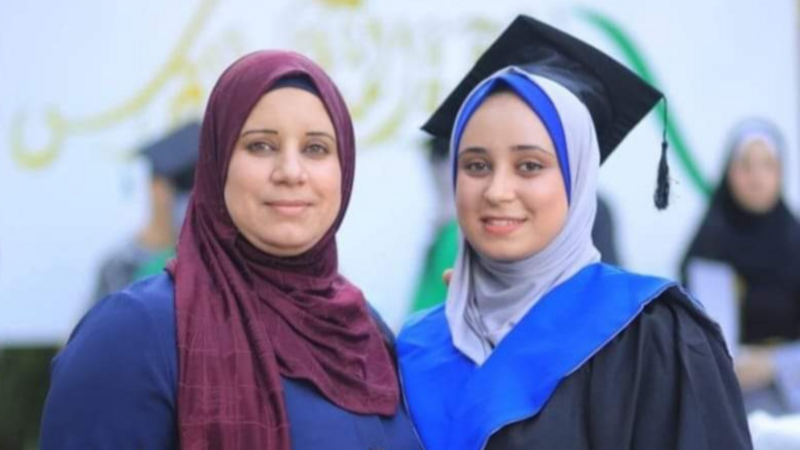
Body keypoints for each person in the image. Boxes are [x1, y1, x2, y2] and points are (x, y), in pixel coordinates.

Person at [397, 15, 753, 450]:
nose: (497, 190)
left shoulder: (652, 336)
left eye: (530, 165)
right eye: (475, 165)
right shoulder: (416, 346)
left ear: (577, 178)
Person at [40, 51, 422, 450]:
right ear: (218, 162)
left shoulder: (363, 329)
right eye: (260, 146)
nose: (291, 171)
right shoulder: (136, 333)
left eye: (316, 148)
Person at [681, 118, 800, 414]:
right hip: (724, 394)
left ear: (781, 174)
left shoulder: (795, 243)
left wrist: (774, 364)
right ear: (729, 173)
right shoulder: (709, 246)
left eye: (768, 166)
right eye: (745, 166)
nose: (756, 178)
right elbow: (693, 335)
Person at [92, 121, 200, 301]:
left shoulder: (213, 262)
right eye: (184, 192)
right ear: (156, 188)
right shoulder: (119, 266)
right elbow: (94, 327)